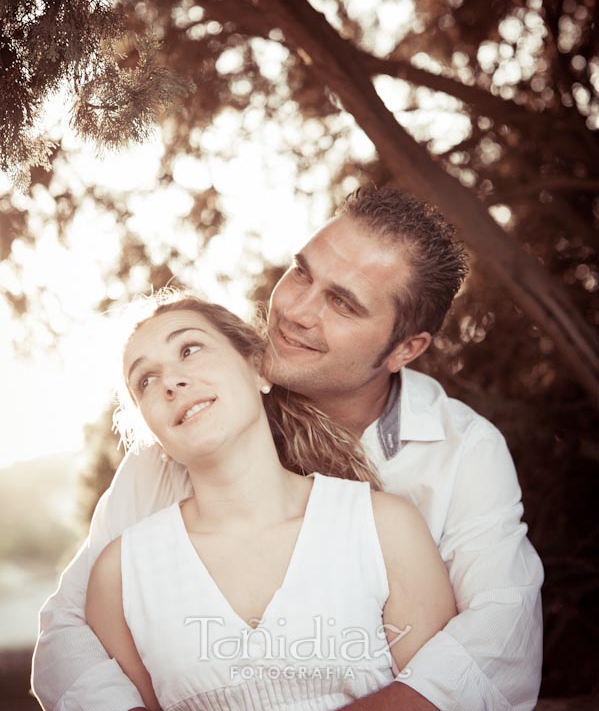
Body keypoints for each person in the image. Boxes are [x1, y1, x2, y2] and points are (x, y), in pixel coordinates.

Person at [32, 187, 544, 711]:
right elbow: (68, 633)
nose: (295, 310)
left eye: (342, 302)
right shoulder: (170, 455)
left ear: (404, 349)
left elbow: (496, 640)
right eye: (302, 272)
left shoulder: (460, 453)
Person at [84, 296, 456, 711]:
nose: (170, 381)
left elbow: (441, 697)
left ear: (259, 368)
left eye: (189, 350)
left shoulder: (384, 527)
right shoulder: (119, 577)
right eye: (146, 381)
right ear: (154, 436)